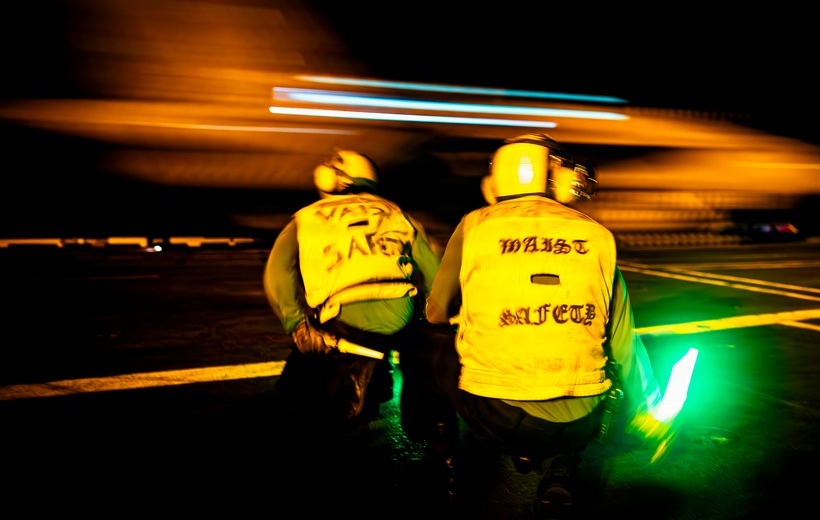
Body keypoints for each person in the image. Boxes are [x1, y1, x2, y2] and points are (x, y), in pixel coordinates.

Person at [399, 133, 675, 518]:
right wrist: (652, 413)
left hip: (498, 417)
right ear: (544, 174)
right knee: (581, 352)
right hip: (584, 419)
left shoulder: (476, 224)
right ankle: (562, 469)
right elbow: (624, 339)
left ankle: (444, 466)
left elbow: (436, 312)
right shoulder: (598, 236)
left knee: (421, 342)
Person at [263, 149, 440, 433]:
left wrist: (295, 323)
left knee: (299, 390)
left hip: (342, 317)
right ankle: (430, 428)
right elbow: (433, 271)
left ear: (330, 181)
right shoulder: (395, 213)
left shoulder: (306, 217)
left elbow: (278, 272)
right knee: (423, 357)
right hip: (400, 315)